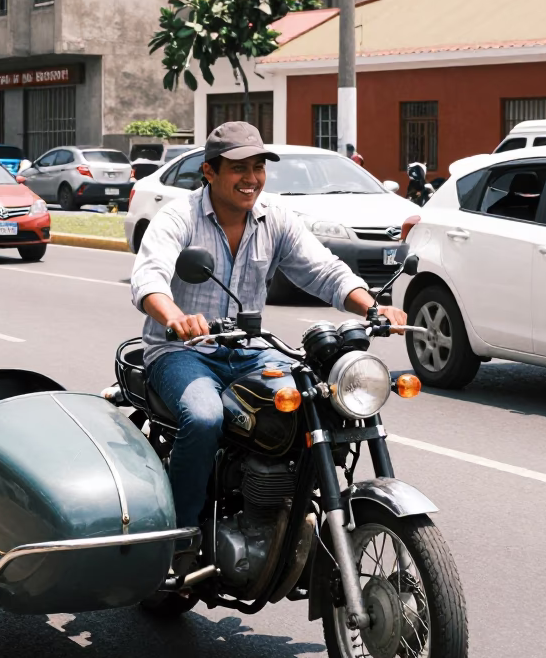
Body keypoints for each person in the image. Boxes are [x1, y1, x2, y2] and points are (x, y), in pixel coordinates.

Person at [130, 121, 407, 528]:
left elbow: (324, 270)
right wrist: (175, 317)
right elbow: (149, 277)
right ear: (210, 171)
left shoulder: (274, 218)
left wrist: (372, 308)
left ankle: (284, 514)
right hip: (180, 352)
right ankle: (181, 534)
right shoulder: (179, 217)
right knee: (205, 417)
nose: (252, 179)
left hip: (248, 350)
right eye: (239, 168)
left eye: (259, 167)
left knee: (318, 402)